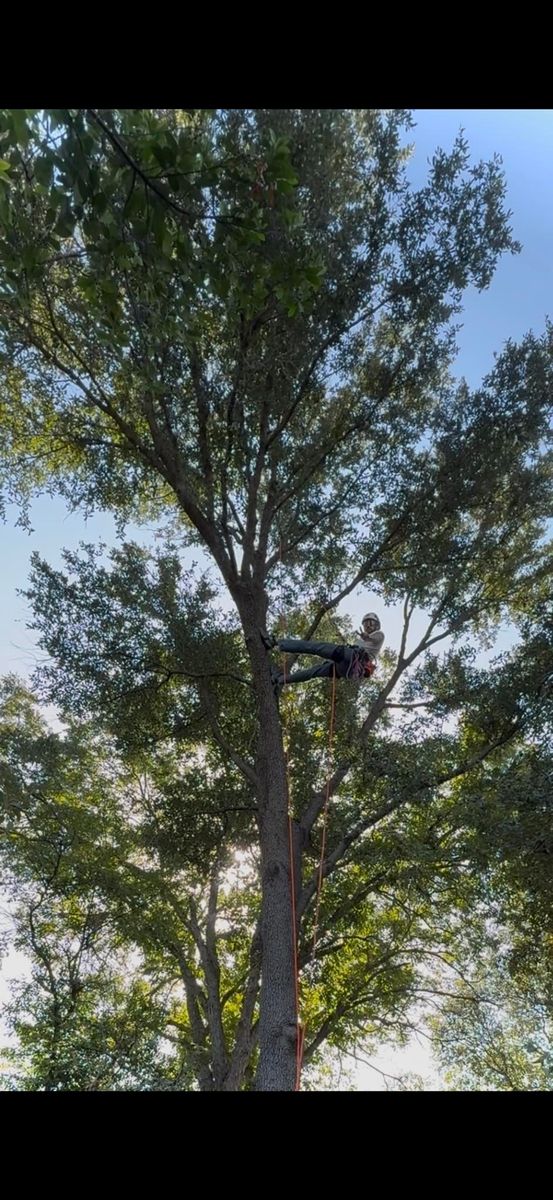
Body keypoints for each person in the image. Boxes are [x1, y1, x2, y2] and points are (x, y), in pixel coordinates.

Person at [261, 613, 384, 690]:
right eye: (366, 623)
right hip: (346, 670)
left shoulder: (379, 635)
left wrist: (366, 637)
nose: (368, 625)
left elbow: (371, 638)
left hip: (351, 659)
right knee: (313, 672)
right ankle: (279, 680)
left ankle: (274, 642)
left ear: (377, 625)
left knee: (314, 647)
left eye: (371, 623)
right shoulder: (360, 640)